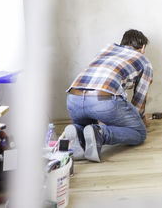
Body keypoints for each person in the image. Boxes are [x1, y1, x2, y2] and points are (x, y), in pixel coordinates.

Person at [65, 29, 153, 162]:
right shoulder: (143, 60)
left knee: (86, 129)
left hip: (73, 99)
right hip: (102, 100)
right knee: (140, 133)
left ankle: (76, 131)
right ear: (143, 47)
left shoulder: (107, 49)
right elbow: (139, 98)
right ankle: (101, 134)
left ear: (122, 43)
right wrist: (140, 120)